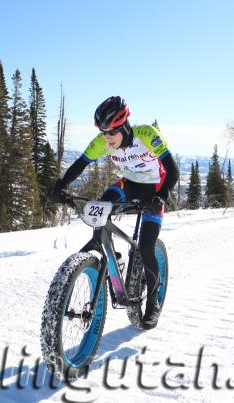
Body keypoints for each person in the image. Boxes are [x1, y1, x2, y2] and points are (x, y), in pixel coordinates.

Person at [50, 96, 179, 330]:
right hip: (128, 185)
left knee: (147, 246)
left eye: (111, 133)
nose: (106, 138)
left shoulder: (146, 135)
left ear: (124, 126)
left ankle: (152, 301)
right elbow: (80, 164)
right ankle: (111, 256)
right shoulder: (103, 141)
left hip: (156, 189)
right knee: (102, 206)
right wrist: (61, 186)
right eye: (103, 132)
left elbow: (173, 169)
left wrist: (162, 195)